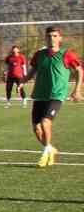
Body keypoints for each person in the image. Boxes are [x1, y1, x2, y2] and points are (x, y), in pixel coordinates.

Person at [23, 25, 84, 167]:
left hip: (56, 94)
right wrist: (23, 81)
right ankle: (50, 148)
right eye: (49, 36)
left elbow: (80, 70)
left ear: (60, 38)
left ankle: (45, 152)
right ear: (46, 38)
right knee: (36, 128)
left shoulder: (67, 54)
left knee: (45, 122)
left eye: (55, 36)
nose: (52, 38)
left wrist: (77, 90)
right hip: (39, 94)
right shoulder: (39, 54)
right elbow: (33, 71)